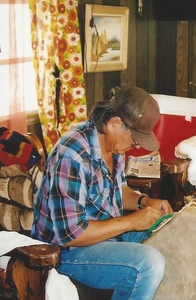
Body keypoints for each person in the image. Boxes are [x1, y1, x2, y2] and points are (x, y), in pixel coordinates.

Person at [31, 86, 173, 299]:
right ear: (114, 123)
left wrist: (145, 202)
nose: (135, 146)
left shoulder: (112, 145)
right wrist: (132, 222)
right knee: (148, 263)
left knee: (171, 235)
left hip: (104, 233)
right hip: (65, 252)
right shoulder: (72, 155)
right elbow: (71, 234)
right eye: (135, 140)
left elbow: (115, 191)